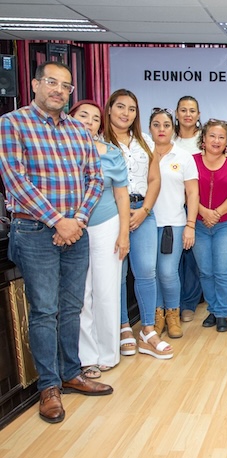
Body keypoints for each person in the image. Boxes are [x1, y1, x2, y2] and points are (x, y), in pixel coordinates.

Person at [0, 62, 112, 424]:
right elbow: (15, 179)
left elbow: (95, 178)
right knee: (45, 310)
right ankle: (48, 387)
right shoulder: (12, 124)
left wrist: (76, 220)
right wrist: (57, 220)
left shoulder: (79, 131)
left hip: (76, 230)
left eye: (66, 86)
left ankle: (70, 371)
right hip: (35, 232)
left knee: (72, 305)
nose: (59, 90)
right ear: (35, 84)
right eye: (52, 82)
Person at [104, 89, 170, 359]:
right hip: (110, 213)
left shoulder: (144, 141)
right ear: (109, 109)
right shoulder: (99, 141)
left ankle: (147, 330)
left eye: (131, 109)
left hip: (143, 211)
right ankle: (122, 328)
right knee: (117, 275)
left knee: (146, 271)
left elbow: (154, 180)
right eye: (120, 107)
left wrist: (144, 210)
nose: (126, 113)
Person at [69, 100, 129, 379]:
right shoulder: (59, 150)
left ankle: (107, 353)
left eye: (95, 118)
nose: (90, 121)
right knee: (80, 294)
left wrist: (124, 233)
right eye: (83, 115)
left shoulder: (112, 153)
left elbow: (121, 196)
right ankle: (86, 357)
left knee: (106, 291)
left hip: (106, 224)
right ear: (70, 118)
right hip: (69, 228)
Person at [192, 119, 227, 332]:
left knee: (223, 270)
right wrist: (203, 212)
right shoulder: (192, 161)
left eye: (221, 137)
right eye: (212, 136)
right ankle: (213, 309)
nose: (216, 140)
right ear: (203, 139)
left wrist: (216, 213)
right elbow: (187, 192)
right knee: (205, 271)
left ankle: (222, 312)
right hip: (198, 223)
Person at [149, 108, 199, 339]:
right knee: (151, 273)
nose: (161, 129)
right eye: (157, 125)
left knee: (168, 272)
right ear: (150, 127)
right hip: (144, 223)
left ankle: (173, 314)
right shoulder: (142, 152)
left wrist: (190, 225)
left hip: (173, 224)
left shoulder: (183, 156)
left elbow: (193, 193)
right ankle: (156, 316)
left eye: (166, 125)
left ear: (173, 128)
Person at [174, 96, 204, 323]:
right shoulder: (168, 139)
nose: (187, 114)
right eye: (183, 110)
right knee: (172, 260)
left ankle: (188, 304)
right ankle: (170, 305)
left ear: (198, 114)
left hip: (197, 206)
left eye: (192, 110)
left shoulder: (204, 142)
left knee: (193, 259)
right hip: (171, 206)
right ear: (176, 114)